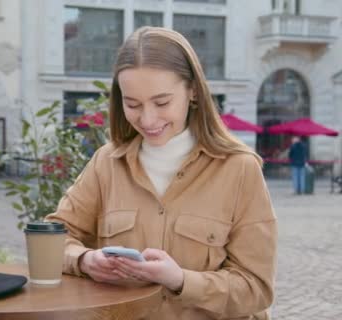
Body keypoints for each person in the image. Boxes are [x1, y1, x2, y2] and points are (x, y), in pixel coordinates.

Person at [45, 27, 277, 319]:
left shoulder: (240, 168)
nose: (148, 119)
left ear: (192, 90)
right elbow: (50, 238)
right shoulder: (106, 163)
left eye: (162, 102)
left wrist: (180, 280)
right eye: (133, 104)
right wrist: (84, 259)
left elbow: (256, 288)